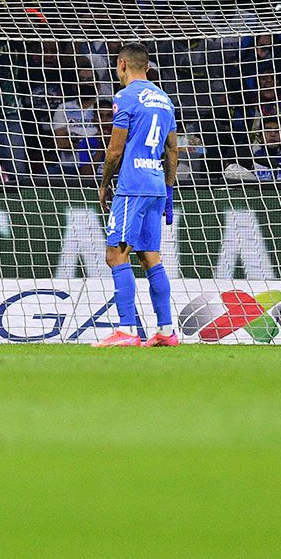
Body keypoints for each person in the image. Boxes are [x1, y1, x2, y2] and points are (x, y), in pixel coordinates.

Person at [95, 43, 179, 348]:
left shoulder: (125, 97)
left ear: (121, 65)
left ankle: (127, 329)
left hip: (132, 185)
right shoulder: (164, 99)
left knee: (115, 254)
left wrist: (104, 183)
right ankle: (166, 330)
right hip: (156, 185)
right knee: (149, 257)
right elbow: (173, 149)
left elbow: (115, 149)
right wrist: (168, 190)